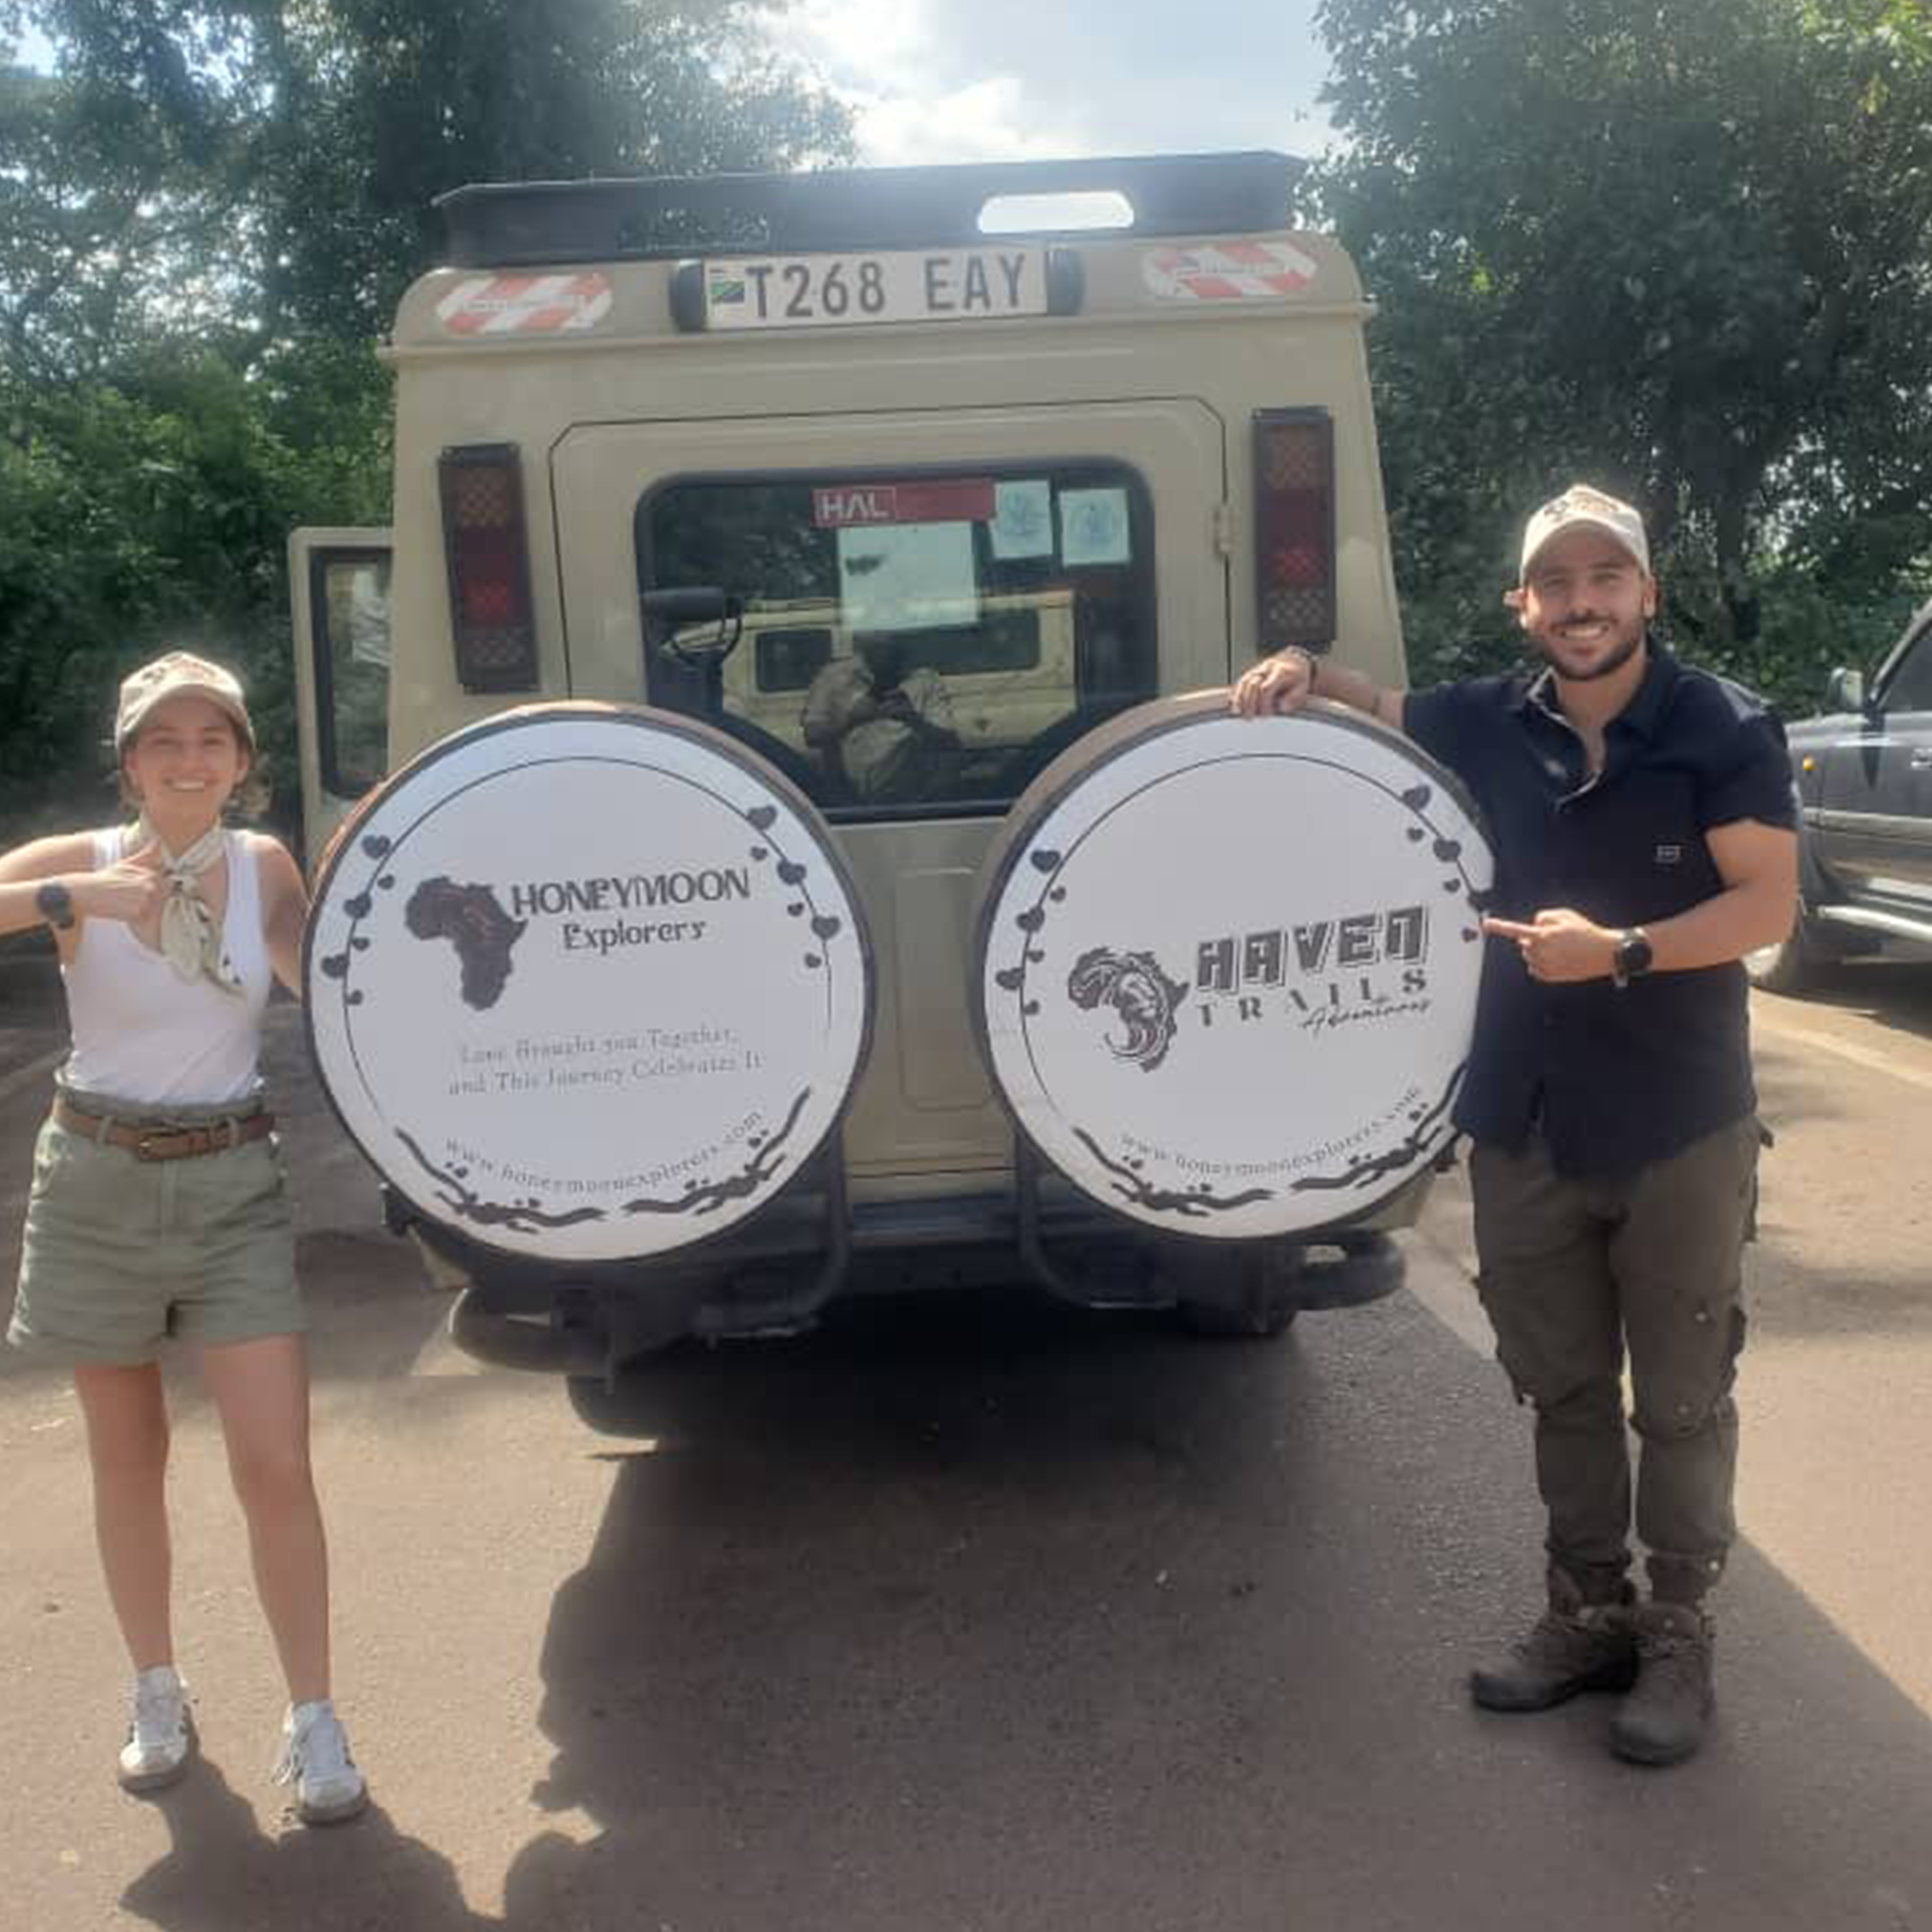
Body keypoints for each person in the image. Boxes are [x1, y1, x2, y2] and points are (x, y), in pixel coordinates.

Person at [1232, 485, 1797, 1766]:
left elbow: (1768, 906)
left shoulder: (1721, 728)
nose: (1583, 604)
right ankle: (1586, 1612)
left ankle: (1679, 1634)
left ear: (1647, 594)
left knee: (1687, 1400)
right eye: (1558, 584)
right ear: (1523, 605)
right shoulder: (1487, 720)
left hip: (1678, 1126)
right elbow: (1371, 707)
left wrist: (1629, 951)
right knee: (1564, 1387)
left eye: (1607, 579)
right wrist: (1301, 667)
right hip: (1525, 1123)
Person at [0, 651, 368, 1823]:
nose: (190, 759)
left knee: (275, 1464)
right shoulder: (87, 863)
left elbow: (329, 981)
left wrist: (371, 869)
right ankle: (155, 1689)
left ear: (244, 762)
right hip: (98, 1178)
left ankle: (314, 1717)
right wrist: (75, 903)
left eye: (212, 740)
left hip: (228, 1183)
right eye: (165, 741)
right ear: (130, 763)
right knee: (128, 1459)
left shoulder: (261, 865)